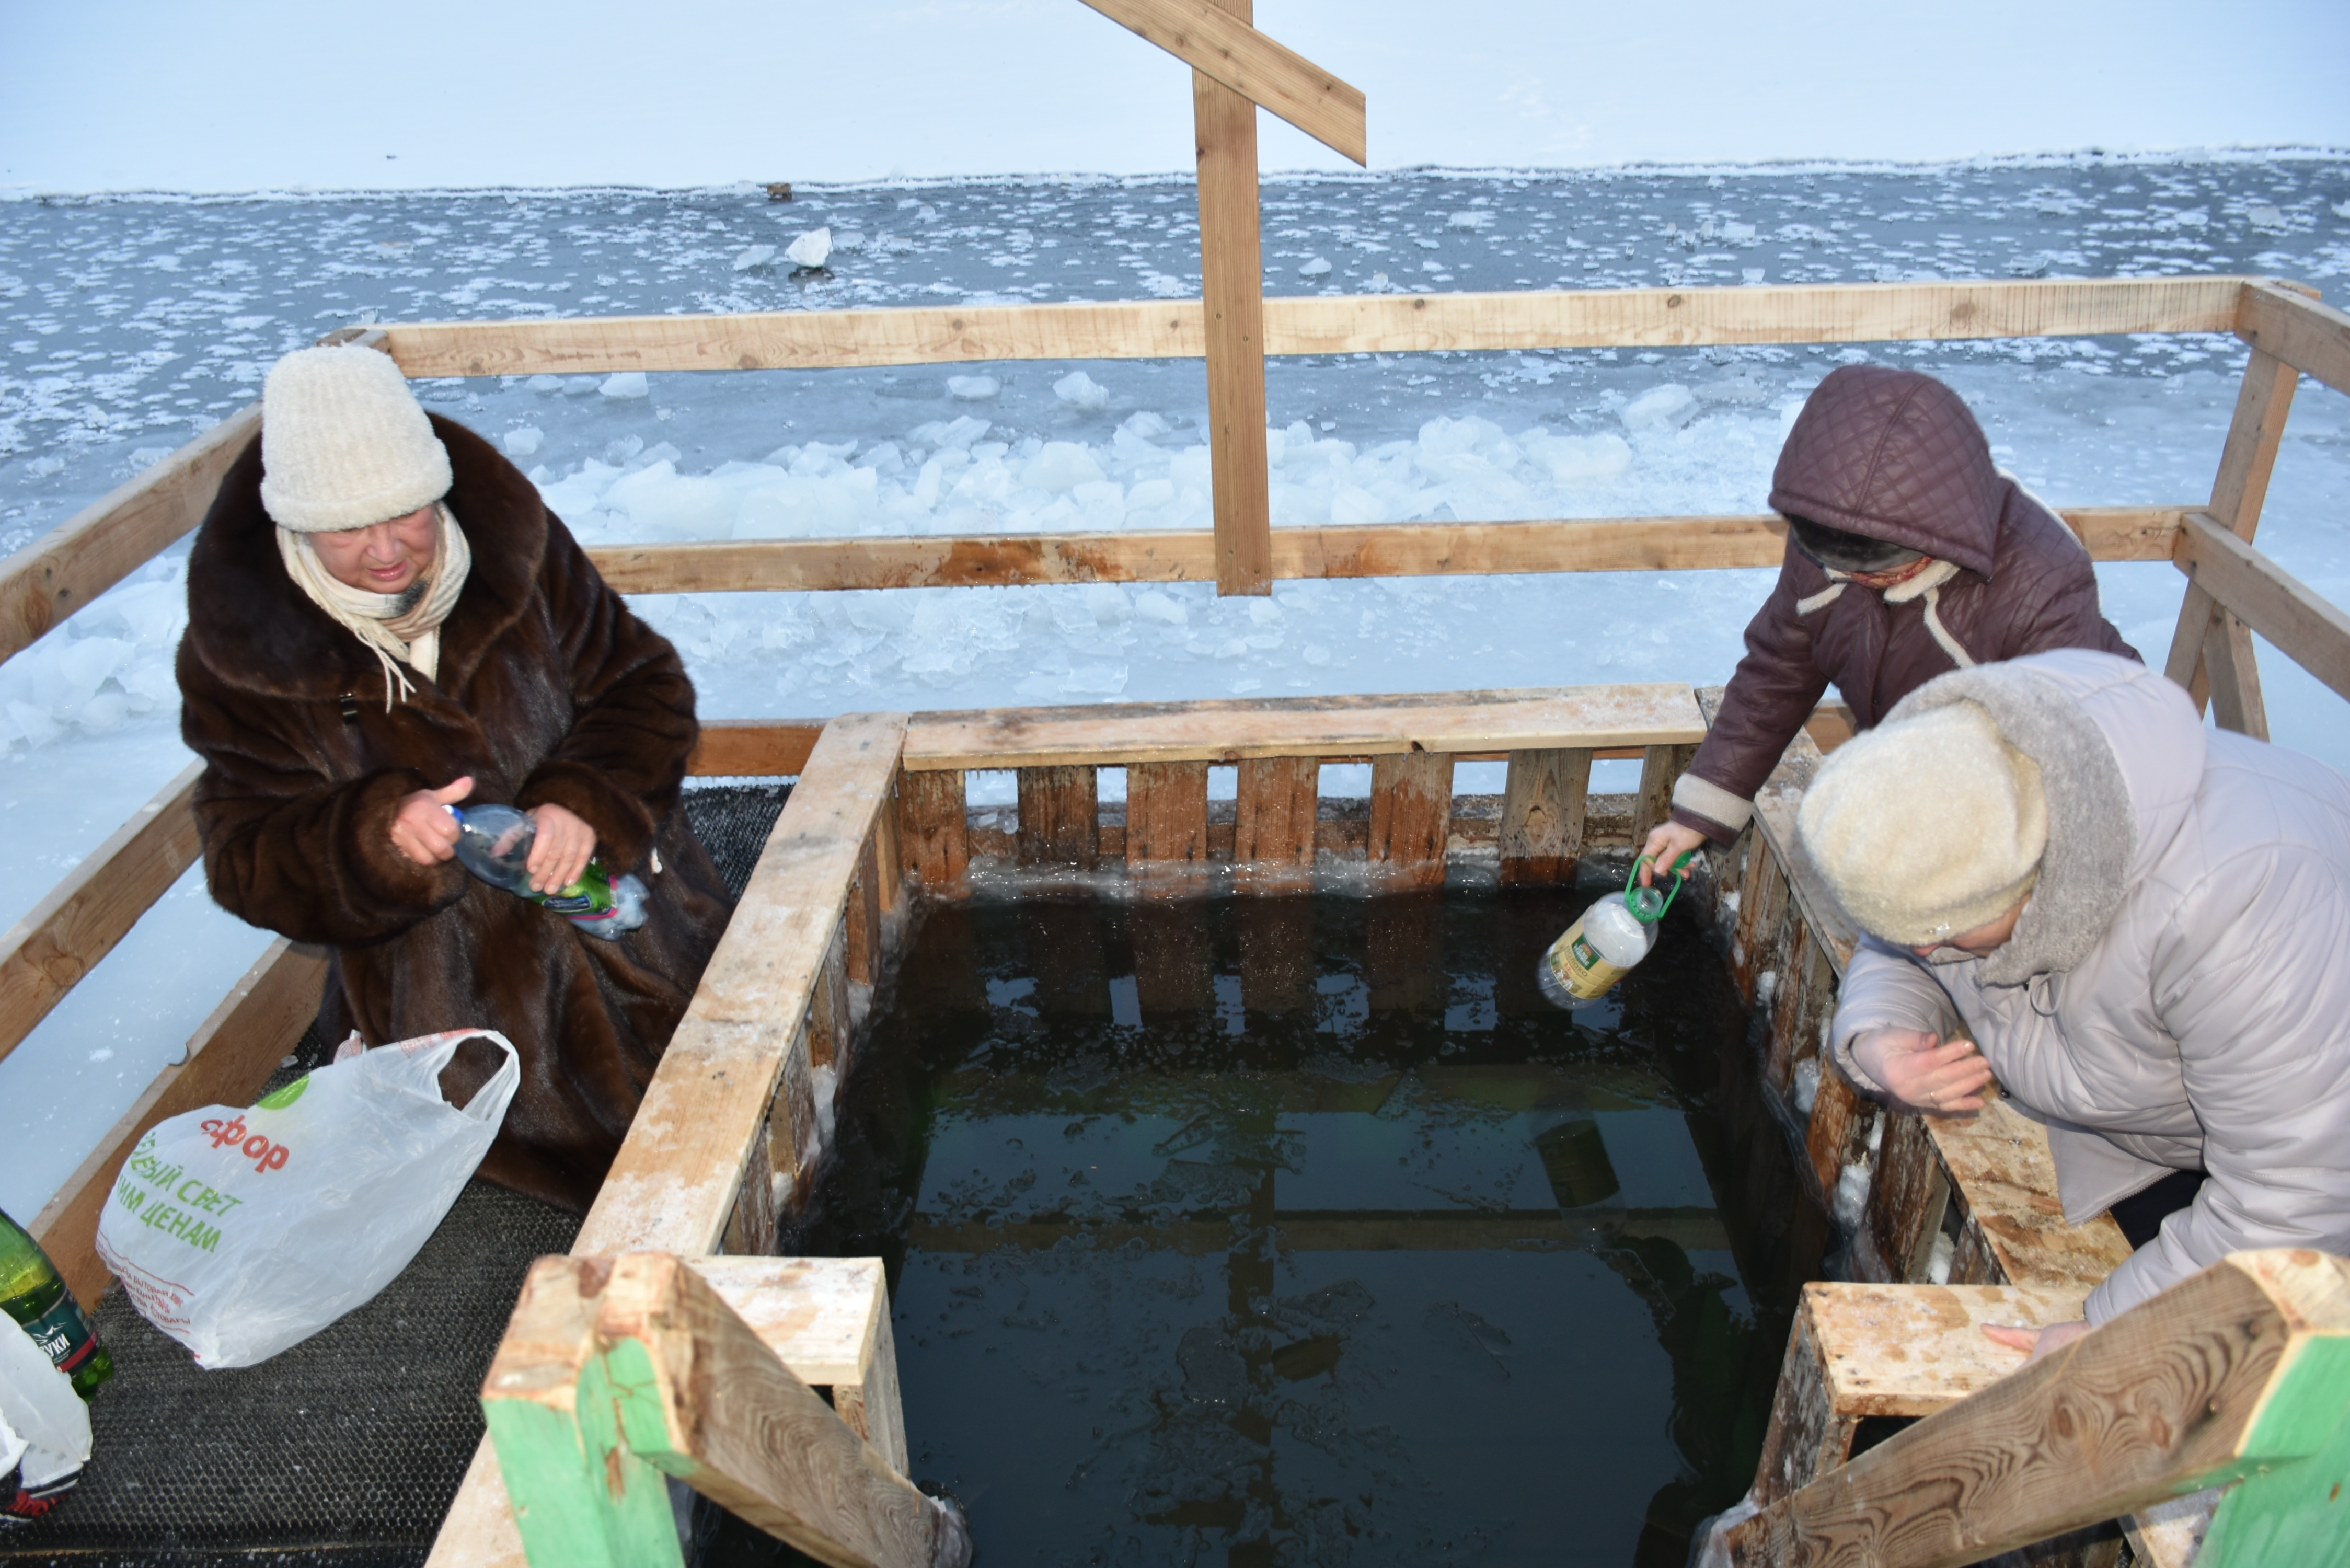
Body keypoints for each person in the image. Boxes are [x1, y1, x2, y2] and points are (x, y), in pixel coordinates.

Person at [177, 345, 734, 1213]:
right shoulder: (248, 659)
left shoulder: (521, 557)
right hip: (458, 1012)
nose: (389, 550)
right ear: (293, 523)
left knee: (746, 1094)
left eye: (409, 513)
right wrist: (376, 842)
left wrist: (583, 798)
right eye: (349, 527)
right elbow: (245, 858)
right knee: (583, 1170)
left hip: (645, 929)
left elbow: (647, 688)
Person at [1795, 648, 2350, 1356]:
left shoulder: (2243, 906)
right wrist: (1879, 1036)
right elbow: (1900, 938)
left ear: (2026, 885)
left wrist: (2110, 1333)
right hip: (2163, 1133)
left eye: (1937, 936)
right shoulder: (1969, 824)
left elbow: (2298, 1193)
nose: (1925, 953)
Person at [1638, 363, 2137, 885]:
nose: (1851, 578)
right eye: (1836, 563)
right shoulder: (1828, 531)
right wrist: (1699, 814)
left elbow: (2060, 768)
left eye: (1879, 568)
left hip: (2044, 782)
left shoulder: (2039, 581)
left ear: (1939, 538)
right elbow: (1777, 671)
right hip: (1920, 769)